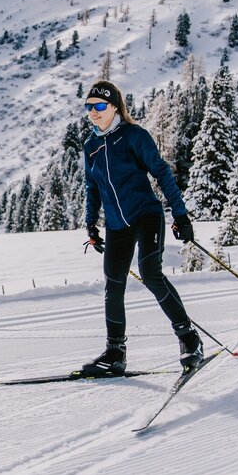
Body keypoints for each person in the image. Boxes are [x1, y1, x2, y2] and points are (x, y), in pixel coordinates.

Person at [79, 80, 202, 376]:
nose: (93, 113)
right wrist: (90, 225)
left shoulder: (134, 136)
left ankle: (189, 339)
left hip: (146, 215)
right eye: (89, 107)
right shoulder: (92, 145)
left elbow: (161, 173)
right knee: (113, 285)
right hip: (116, 225)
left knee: (150, 273)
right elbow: (91, 187)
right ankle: (115, 354)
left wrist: (181, 215)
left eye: (98, 107)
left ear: (114, 107)